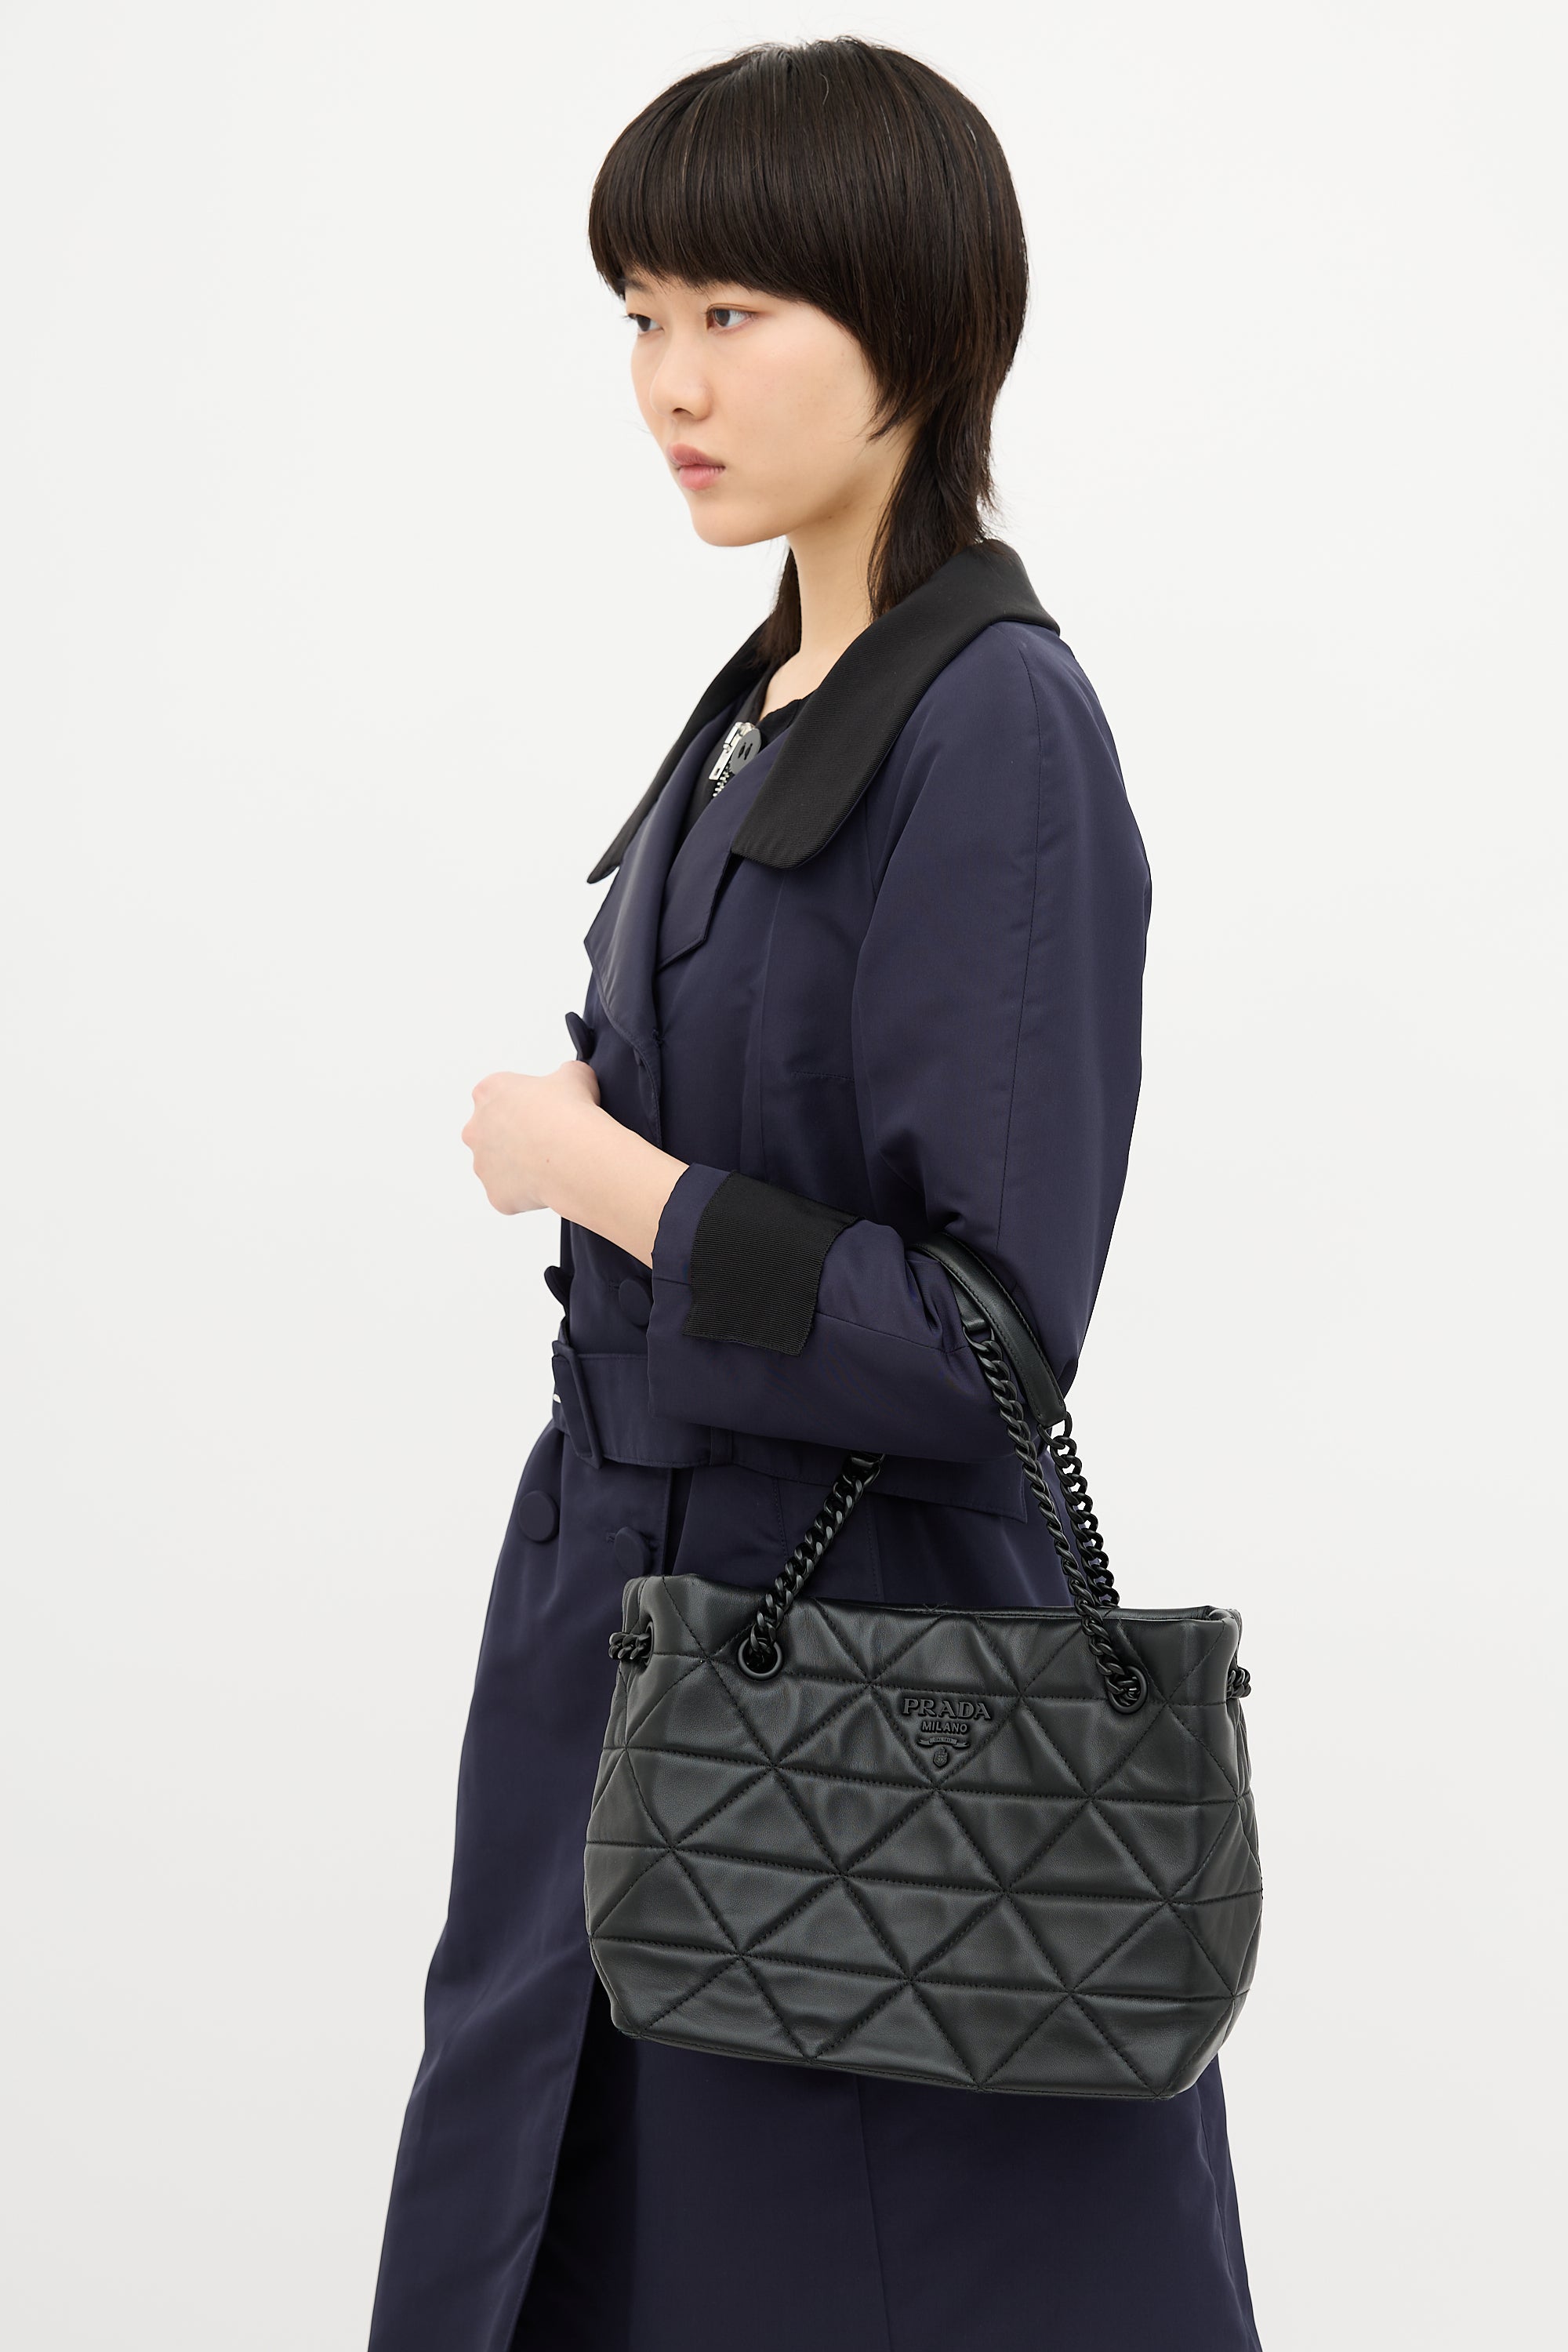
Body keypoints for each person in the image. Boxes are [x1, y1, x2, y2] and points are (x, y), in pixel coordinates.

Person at [367, 37, 1262, 2352]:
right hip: (630, 1642)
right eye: (642, 315)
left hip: (854, 1713)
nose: (669, 383)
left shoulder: (996, 725)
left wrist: (609, 1177)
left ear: (920, 326)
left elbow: (987, 1347)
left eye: (734, 314)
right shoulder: (769, 694)